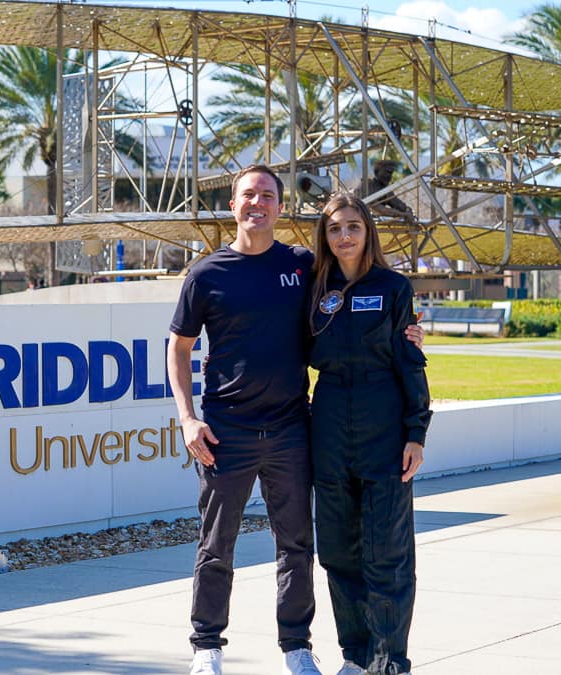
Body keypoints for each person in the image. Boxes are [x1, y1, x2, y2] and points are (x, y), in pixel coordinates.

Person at [167, 166, 423, 675]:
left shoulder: (304, 267)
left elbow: (360, 302)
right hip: (227, 432)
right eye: (248, 195)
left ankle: (298, 648)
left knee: (298, 547)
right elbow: (179, 346)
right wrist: (187, 418)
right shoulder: (206, 274)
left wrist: (409, 333)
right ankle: (207, 647)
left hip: (291, 430)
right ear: (233, 204)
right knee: (216, 545)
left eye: (266, 195)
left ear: (280, 207)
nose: (256, 203)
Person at [307, 193, 431, 675]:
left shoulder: (394, 287)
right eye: (335, 228)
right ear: (326, 235)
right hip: (331, 422)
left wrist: (416, 432)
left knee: (387, 553)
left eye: (353, 226)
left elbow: (409, 361)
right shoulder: (314, 289)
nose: (344, 236)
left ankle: (389, 659)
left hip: (384, 424)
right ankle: (356, 657)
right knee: (338, 551)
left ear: (368, 231)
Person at [359, 160, 414, 225]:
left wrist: (408, 210)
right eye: (387, 172)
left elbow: (399, 204)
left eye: (391, 173)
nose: (389, 176)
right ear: (377, 172)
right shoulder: (368, 185)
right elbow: (379, 209)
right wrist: (403, 214)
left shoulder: (386, 190)